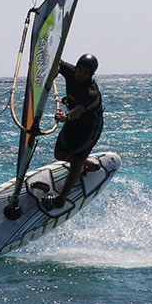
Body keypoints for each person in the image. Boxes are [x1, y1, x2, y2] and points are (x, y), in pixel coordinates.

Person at [43, 54, 104, 210]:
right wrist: (55, 70)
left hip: (89, 127)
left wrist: (66, 116)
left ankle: (61, 199)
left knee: (76, 161)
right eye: (80, 70)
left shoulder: (91, 92)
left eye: (85, 73)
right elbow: (58, 62)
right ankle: (89, 164)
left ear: (91, 75)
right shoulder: (72, 71)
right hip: (73, 123)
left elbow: (78, 111)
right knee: (60, 155)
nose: (80, 75)